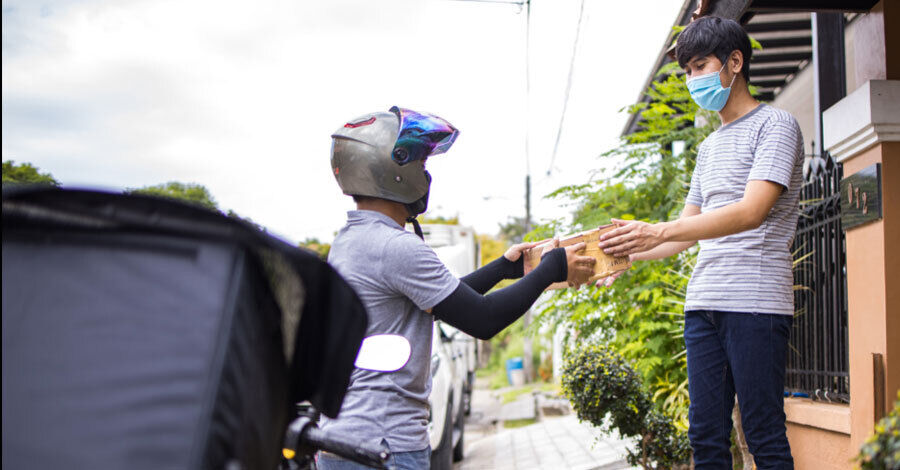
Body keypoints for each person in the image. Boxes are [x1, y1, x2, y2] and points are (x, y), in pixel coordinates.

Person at [319, 106, 595, 470]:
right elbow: (482, 320)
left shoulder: (352, 241)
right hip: (384, 445)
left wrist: (502, 269)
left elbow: (439, 302)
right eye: (419, 164)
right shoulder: (396, 247)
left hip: (347, 439)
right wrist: (550, 269)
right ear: (393, 171)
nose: (425, 174)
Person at [597, 16, 803, 470]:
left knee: (762, 431)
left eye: (700, 65)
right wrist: (617, 256)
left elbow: (752, 211)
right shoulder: (709, 147)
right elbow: (682, 232)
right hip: (703, 304)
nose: (693, 79)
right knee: (705, 434)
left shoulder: (777, 125)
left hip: (756, 304)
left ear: (734, 61)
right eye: (687, 71)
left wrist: (660, 230)